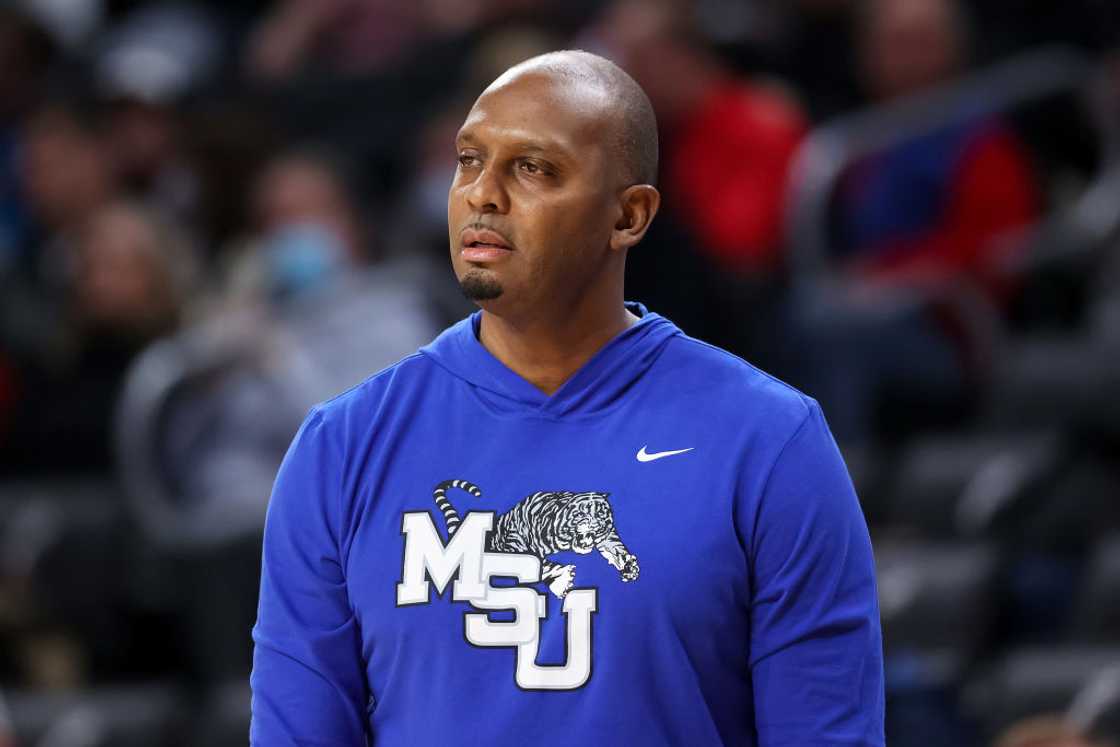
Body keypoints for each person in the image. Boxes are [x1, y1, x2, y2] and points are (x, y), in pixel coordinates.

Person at [250, 50, 884, 746]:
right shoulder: (341, 447)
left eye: (533, 168)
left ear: (629, 215)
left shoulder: (769, 442)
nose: (482, 194)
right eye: (468, 160)